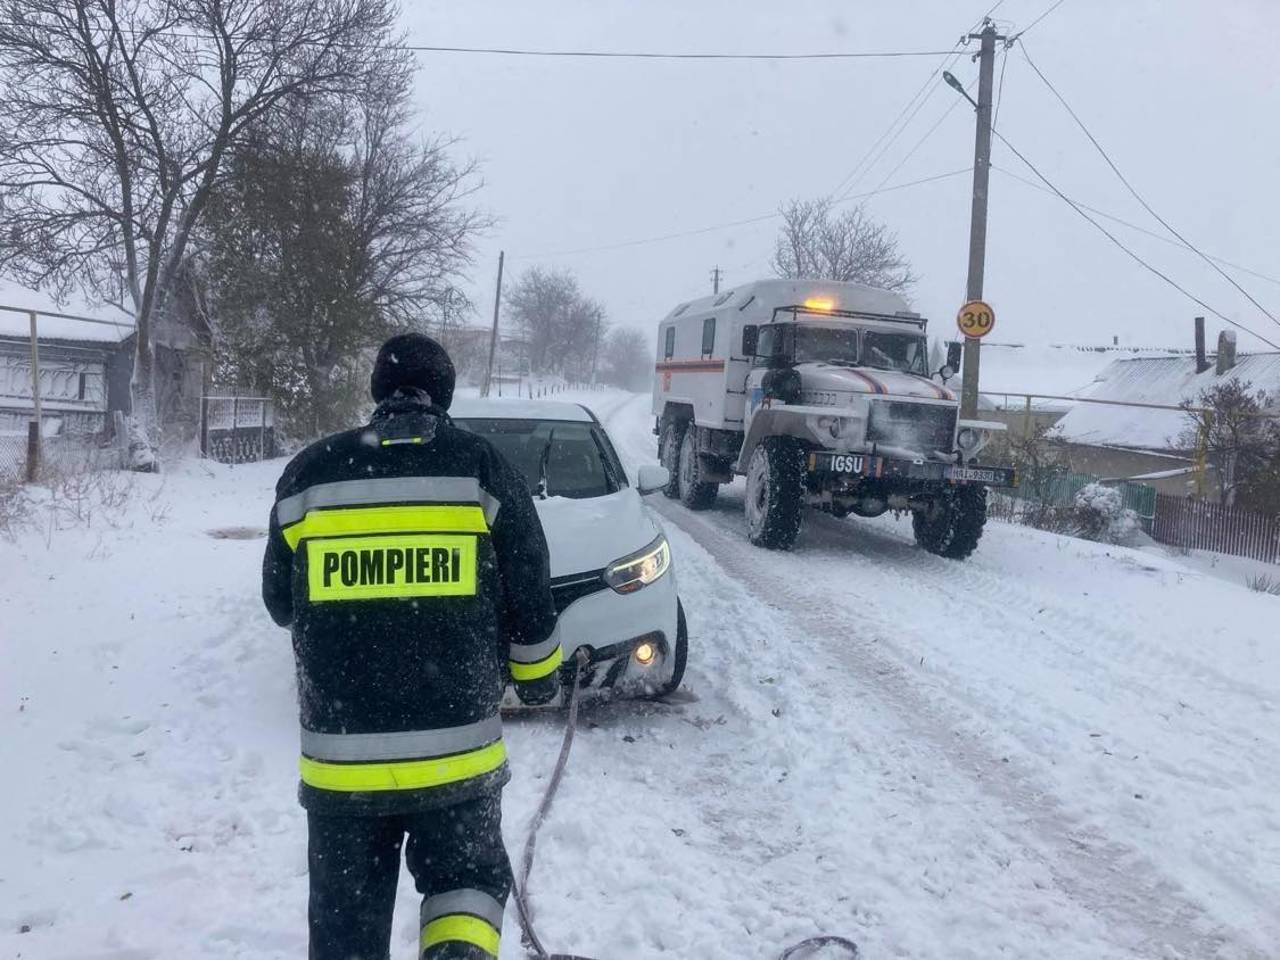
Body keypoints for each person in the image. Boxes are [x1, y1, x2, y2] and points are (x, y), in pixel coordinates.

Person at [262, 333, 561, 960]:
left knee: (346, 926)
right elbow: (530, 586)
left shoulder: (309, 475)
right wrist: (537, 678)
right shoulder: (482, 468)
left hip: (341, 768)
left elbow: (279, 604)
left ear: (378, 393)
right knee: (466, 888)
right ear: (446, 395)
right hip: (458, 764)